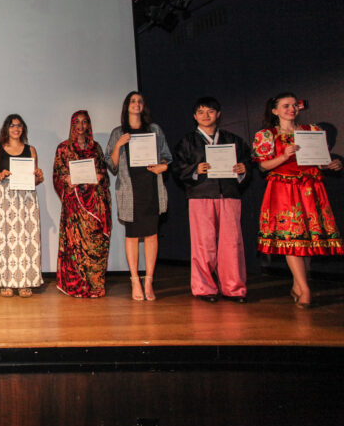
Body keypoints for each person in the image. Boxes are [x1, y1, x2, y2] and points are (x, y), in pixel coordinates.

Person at [252, 92, 343, 308]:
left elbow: (317, 161)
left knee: (307, 238)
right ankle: (305, 288)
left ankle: (298, 284)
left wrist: (330, 164)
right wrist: (284, 156)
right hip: (284, 189)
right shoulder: (267, 135)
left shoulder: (311, 130)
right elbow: (263, 166)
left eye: (294, 105)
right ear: (275, 110)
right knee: (292, 238)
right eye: (286, 106)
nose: (291, 109)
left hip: (310, 188)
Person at [172, 97, 251, 303]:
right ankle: (204, 288)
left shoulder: (233, 140)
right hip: (200, 195)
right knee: (203, 244)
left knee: (232, 243)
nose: (206, 116)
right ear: (194, 116)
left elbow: (247, 162)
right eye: (201, 112)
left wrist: (243, 169)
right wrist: (195, 169)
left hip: (229, 194)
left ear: (218, 114)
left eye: (210, 111)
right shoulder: (187, 142)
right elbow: (177, 168)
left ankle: (233, 288)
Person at [106, 91, 171, 301]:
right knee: (132, 235)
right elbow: (112, 165)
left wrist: (163, 166)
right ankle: (135, 279)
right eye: (132, 101)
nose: (136, 104)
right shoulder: (118, 132)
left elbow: (166, 157)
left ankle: (149, 280)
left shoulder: (155, 129)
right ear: (127, 106)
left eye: (139, 101)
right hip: (130, 189)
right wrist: (118, 145)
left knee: (152, 235)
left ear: (144, 106)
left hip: (151, 186)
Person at [53, 110, 112, 298]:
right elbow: (57, 174)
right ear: (72, 124)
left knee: (96, 244)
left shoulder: (96, 148)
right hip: (74, 206)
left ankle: (95, 286)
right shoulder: (63, 148)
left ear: (89, 124)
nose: (80, 125)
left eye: (84, 121)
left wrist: (99, 176)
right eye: (77, 122)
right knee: (75, 246)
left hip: (94, 205)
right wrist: (66, 180)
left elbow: (104, 173)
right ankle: (76, 285)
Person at [0, 114, 44, 298]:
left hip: (27, 197)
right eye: (12, 125)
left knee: (27, 238)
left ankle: (25, 282)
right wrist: (0, 175)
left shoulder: (31, 150)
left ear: (23, 128)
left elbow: (35, 180)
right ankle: (6, 282)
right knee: (6, 238)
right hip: (7, 198)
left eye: (19, 125)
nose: (16, 129)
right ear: (6, 128)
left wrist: (39, 176)